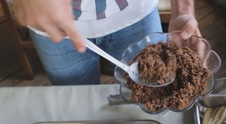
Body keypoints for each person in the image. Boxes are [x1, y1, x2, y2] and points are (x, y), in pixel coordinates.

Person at [12, 0, 201, 85]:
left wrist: (183, 8)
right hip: (54, 25)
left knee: (150, 94)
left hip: (138, 15)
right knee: (78, 105)